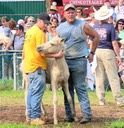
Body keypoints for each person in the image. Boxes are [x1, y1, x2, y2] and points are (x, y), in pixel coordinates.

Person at [56, 4, 99, 124]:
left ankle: (87, 114)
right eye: (68, 12)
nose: (70, 14)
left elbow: (96, 36)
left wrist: (92, 53)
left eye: (72, 12)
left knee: (80, 87)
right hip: (65, 61)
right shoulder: (60, 28)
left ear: (76, 13)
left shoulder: (83, 25)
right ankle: (69, 114)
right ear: (64, 14)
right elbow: (57, 43)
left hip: (79, 60)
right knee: (67, 88)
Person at [22, 12, 64, 125]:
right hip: (38, 66)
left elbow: (25, 49)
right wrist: (57, 56)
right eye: (45, 23)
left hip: (30, 65)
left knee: (31, 92)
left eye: (47, 23)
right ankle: (35, 117)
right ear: (39, 21)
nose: (46, 25)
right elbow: (42, 53)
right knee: (37, 92)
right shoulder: (39, 33)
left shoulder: (29, 32)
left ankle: (30, 116)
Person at [92, 6, 124, 106]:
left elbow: (91, 41)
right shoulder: (110, 27)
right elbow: (114, 43)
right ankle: (118, 99)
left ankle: (101, 100)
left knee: (99, 77)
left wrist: (92, 53)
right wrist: (118, 56)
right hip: (108, 51)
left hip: (97, 51)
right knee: (113, 76)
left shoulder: (94, 27)